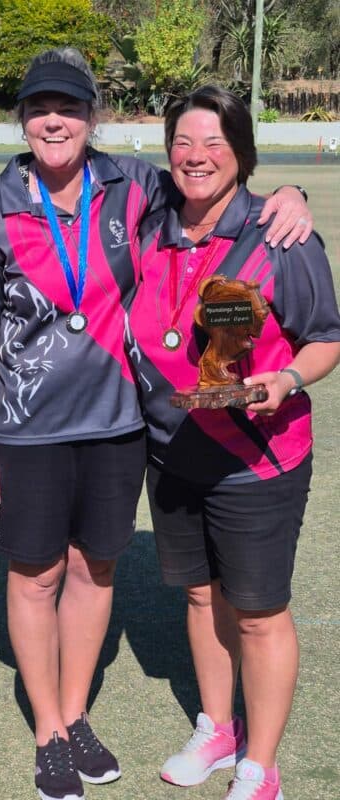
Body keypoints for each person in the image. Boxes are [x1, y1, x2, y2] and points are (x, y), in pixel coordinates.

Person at [0, 48, 312, 800]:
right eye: (40, 108)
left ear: (93, 117)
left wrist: (291, 191)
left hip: (121, 426)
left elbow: (215, 183)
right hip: (26, 428)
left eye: (71, 107)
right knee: (35, 577)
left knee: (95, 572)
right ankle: (49, 731)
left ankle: (77, 714)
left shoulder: (133, 184)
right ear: (22, 119)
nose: (55, 121)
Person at [125, 85, 340, 800]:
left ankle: (260, 764)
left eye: (215, 143)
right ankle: (218, 728)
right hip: (172, 450)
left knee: (258, 611)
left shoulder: (281, 234)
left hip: (259, 458)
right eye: (184, 143)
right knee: (199, 596)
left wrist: (288, 376)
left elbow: (325, 337)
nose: (197, 157)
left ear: (241, 153)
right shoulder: (151, 221)